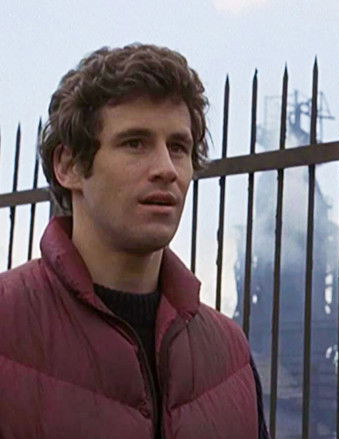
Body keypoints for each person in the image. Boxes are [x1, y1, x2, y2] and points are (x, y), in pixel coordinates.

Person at [0, 44, 270, 439]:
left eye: (178, 147)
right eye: (135, 143)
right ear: (69, 165)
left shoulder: (230, 356)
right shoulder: (8, 325)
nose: (166, 169)